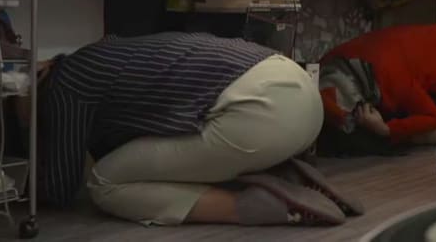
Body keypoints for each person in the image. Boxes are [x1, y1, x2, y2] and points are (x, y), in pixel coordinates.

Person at [33, 32, 361, 226]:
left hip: (260, 114)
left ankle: (252, 206)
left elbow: (61, 190)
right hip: (301, 95)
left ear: (39, 75)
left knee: (105, 182)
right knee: (176, 156)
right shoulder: (106, 51)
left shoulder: (65, 81)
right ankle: (284, 176)